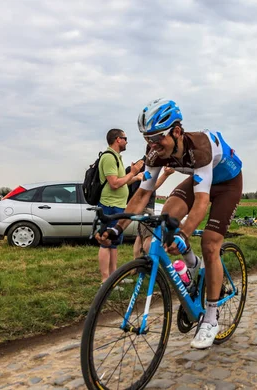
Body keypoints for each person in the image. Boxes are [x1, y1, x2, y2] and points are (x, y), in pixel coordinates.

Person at [96, 98, 243, 349]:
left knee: (209, 244)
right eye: (147, 139)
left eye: (157, 138)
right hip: (200, 181)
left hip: (227, 183)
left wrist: (185, 234)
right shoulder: (155, 152)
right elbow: (141, 195)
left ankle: (210, 316)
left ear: (176, 131)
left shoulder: (201, 148)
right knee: (167, 217)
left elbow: (201, 202)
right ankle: (191, 264)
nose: (152, 145)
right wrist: (116, 227)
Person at [98, 128, 144, 284]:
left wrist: (135, 177)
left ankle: (114, 277)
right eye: (125, 138)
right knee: (106, 242)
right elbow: (114, 184)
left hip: (117, 205)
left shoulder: (116, 157)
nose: (126, 142)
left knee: (115, 242)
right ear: (118, 139)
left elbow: (122, 181)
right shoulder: (109, 157)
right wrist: (132, 173)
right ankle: (106, 280)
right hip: (110, 205)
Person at [132, 166, 175, 258]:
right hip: (147, 208)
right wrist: (165, 174)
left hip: (141, 207)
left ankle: (135, 264)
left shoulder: (139, 166)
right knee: (148, 237)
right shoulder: (146, 169)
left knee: (139, 237)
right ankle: (145, 262)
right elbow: (151, 187)